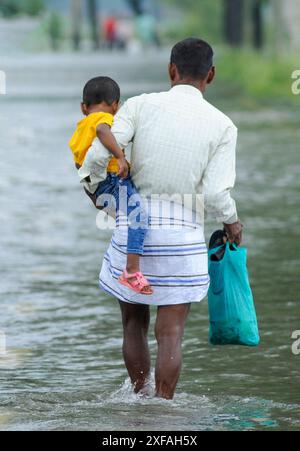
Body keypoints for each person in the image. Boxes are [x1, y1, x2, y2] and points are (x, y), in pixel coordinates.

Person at [79, 38, 243, 399]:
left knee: (133, 324)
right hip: (183, 240)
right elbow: (217, 195)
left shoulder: (139, 106)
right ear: (210, 75)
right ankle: (164, 409)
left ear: (171, 71)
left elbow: (96, 153)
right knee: (171, 335)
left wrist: (97, 193)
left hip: (132, 231)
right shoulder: (223, 125)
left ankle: (139, 399)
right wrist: (231, 222)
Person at [69, 77, 153, 295]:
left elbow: (79, 163)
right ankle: (132, 271)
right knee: (139, 218)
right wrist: (120, 157)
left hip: (97, 186)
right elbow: (103, 132)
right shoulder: (105, 119)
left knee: (124, 217)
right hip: (113, 179)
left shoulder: (80, 128)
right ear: (117, 105)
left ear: (82, 107)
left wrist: (92, 192)